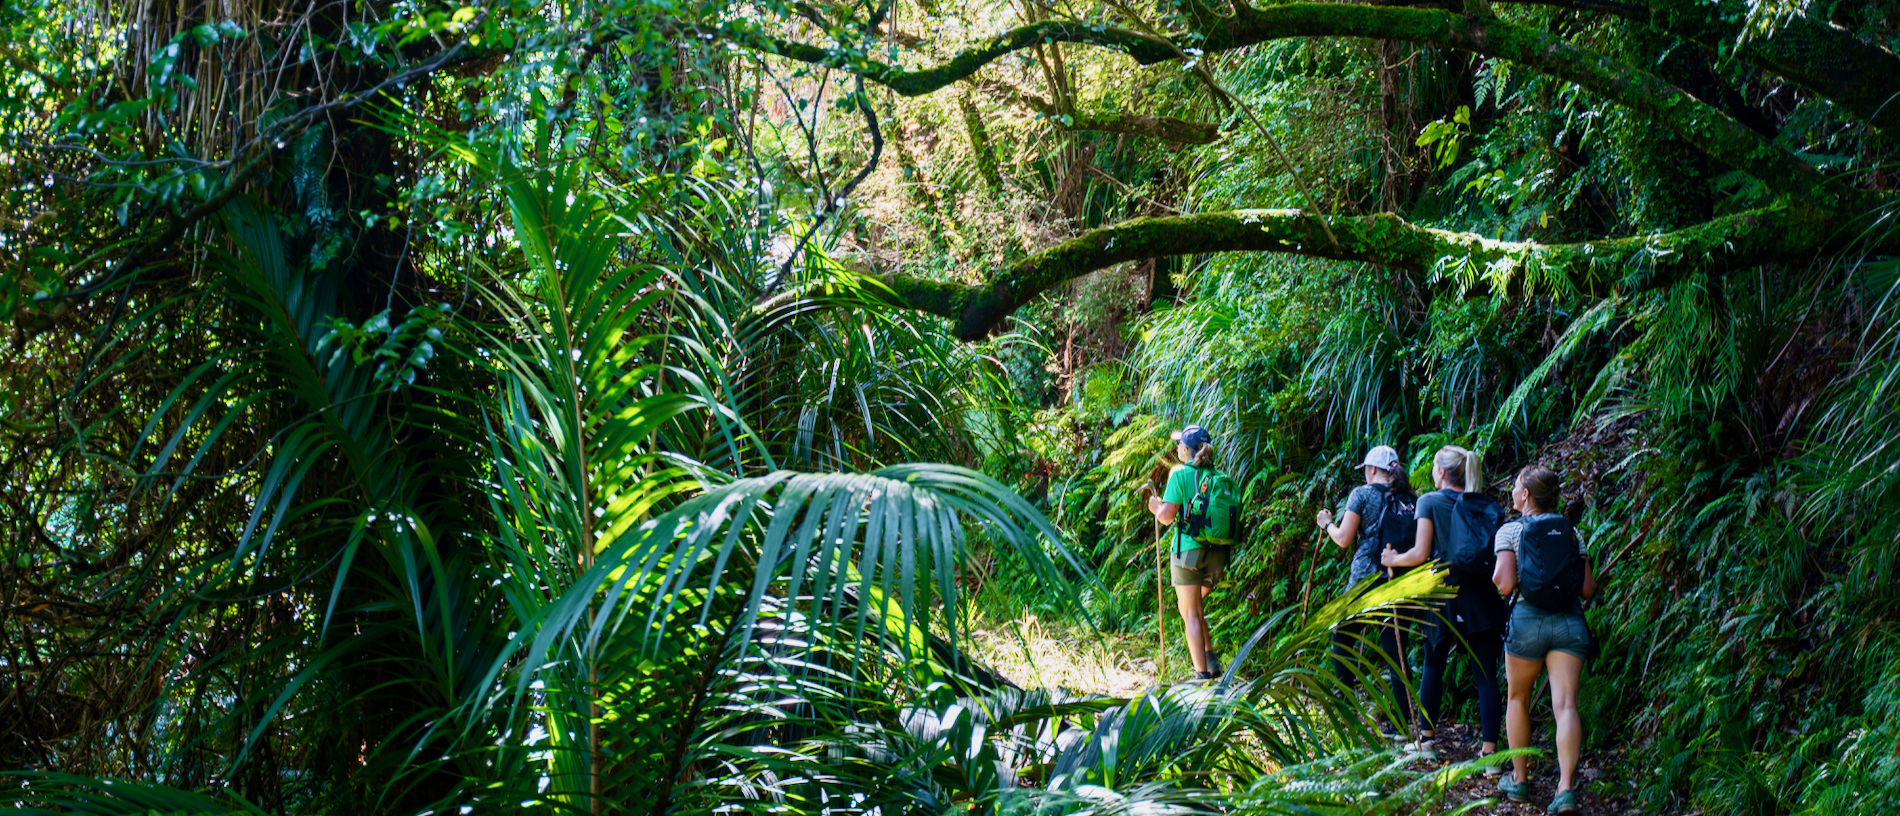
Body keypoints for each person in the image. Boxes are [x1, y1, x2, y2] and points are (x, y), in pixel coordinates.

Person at [1381, 445, 1507, 765]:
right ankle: (1490, 753)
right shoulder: (1485, 504)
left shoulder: (1429, 501)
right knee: (1485, 674)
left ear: (1440, 472)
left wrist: (1394, 558)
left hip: (1443, 594)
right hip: (1482, 594)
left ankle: (1427, 741)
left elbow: (1421, 553)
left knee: (1434, 664)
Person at [1493, 464, 1598, 814]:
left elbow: (1504, 583)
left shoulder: (1510, 531)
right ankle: (1565, 790)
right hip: (1569, 622)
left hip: (1526, 621)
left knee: (1517, 699)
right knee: (1566, 705)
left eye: (1516, 486)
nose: (1512, 491)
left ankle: (1519, 780)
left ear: (1525, 495)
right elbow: (1587, 588)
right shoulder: (1572, 532)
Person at [1315, 444, 1416, 732]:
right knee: (1395, 648)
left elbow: (1344, 539)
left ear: (1372, 470)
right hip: (1398, 578)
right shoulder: (1410, 498)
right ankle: (1402, 721)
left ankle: (1345, 707)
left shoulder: (1361, 494)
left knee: (1343, 637)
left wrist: (1327, 524)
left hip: (1365, 579)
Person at [1147, 424, 1228, 681]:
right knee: (1192, 606)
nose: (1177, 448)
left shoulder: (1179, 473)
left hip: (1188, 554)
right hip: (1217, 556)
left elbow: (1168, 517)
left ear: (1186, 449)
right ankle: (1211, 660)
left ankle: (1201, 676)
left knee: (1189, 612)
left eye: (1179, 444)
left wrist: (1155, 508)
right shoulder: (1216, 476)